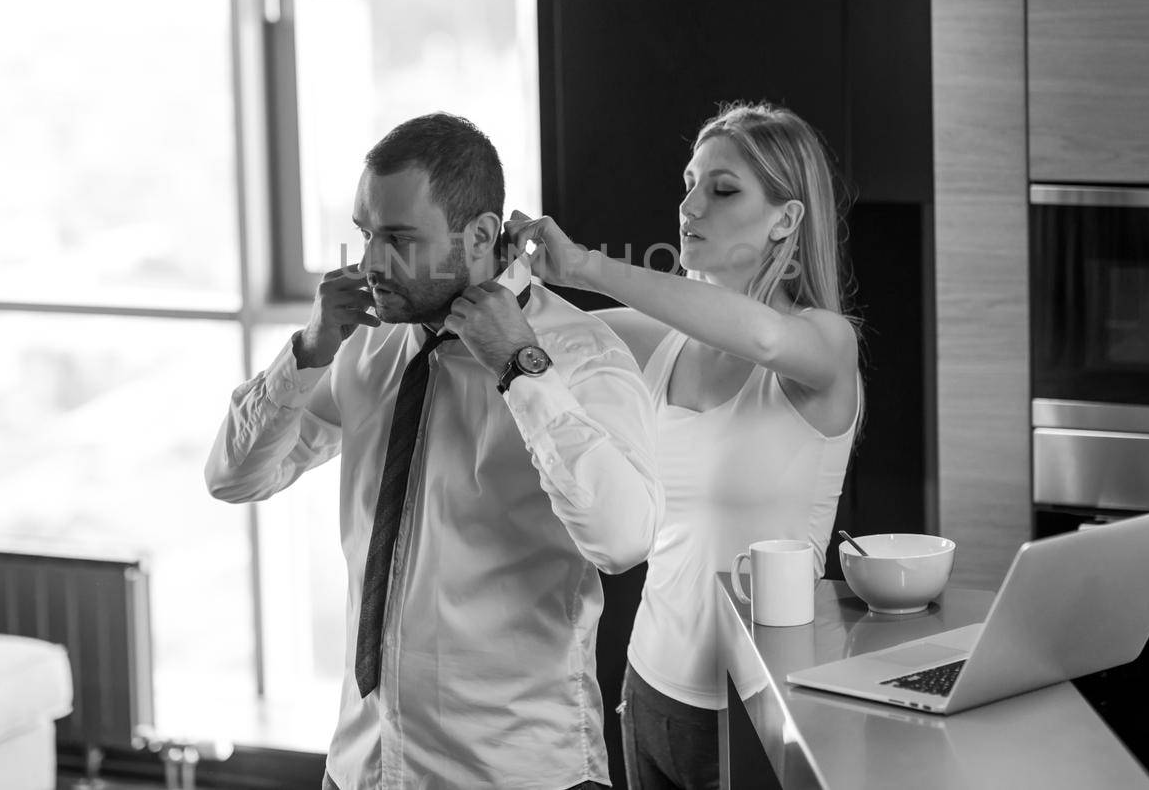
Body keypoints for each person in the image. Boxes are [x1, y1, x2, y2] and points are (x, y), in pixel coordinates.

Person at [206, 112, 660, 790]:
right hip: (363, 766)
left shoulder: (579, 357)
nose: (369, 265)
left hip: (514, 773)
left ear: (480, 235)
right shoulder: (367, 341)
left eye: (398, 239)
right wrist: (306, 352)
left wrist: (520, 369)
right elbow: (234, 478)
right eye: (364, 234)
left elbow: (623, 540)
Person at [506, 101, 863, 790]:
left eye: (722, 189)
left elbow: (760, 336)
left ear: (786, 220)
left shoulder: (826, 345)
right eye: (689, 183)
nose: (690, 205)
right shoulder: (659, 341)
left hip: (757, 707)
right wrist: (495, 265)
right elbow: (537, 332)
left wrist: (584, 264)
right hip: (647, 691)